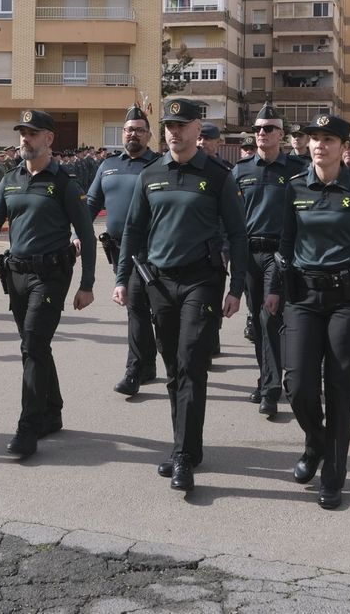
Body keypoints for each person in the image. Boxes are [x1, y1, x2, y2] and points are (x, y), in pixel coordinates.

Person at [262, 113, 350, 510]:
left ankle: (333, 474)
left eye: (329, 139)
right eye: (314, 139)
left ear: (346, 148)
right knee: (299, 384)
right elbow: (284, 244)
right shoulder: (294, 188)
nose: (320, 145)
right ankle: (315, 441)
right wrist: (273, 289)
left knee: (341, 387)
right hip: (304, 299)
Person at [113, 97, 246, 494]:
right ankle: (186, 445)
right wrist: (123, 277)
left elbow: (237, 235)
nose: (174, 131)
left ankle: (184, 456)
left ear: (197, 130)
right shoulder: (151, 174)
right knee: (173, 366)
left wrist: (237, 287)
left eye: (182, 124)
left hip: (202, 281)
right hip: (159, 282)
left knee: (190, 362)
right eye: (169, 125)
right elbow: (134, 231)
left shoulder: (219, 176)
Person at [0, 109, 97, 459]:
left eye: (33, 133)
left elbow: (87, 234)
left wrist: (87, 283)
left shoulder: (65, 183)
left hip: (52, 276)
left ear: (49, 139)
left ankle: (29, 427)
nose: (25, 138)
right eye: (23, 132)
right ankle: (52, 411)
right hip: (17, 275)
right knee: (34, 345)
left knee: (33, 345)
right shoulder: (10, 179)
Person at [231, 102, 305, 419]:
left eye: (269, 129)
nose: (261, 133)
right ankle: (267, 377)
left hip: (281, 253)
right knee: (258, 321)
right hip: (249, 254)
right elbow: (229, 218)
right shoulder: (240, 171)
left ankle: (271, 390)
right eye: (258, 129)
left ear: (282, 134)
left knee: (269, 318)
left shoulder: (296, 171)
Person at [86, 106, 163, 397]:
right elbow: (92, 203)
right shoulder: (108, 165)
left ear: (148, 135)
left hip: (150, 249)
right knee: (138, 308)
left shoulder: (158, 164)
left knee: (138, 307)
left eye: (139, 130)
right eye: (129, 129)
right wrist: (80, 234)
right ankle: (146, 366)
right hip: (117, 249)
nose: (133, 134)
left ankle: (134, 370)